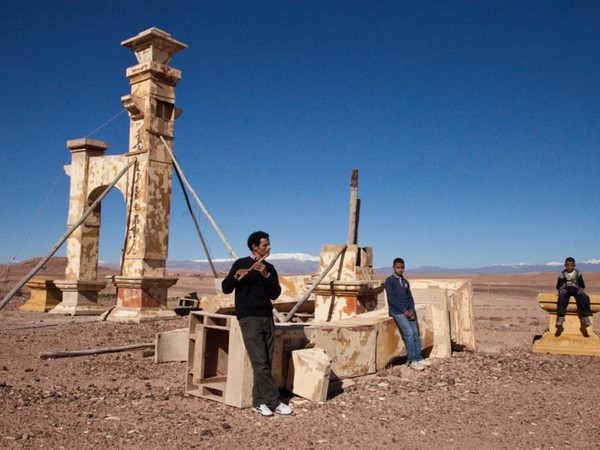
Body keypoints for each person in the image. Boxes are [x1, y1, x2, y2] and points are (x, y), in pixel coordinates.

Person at [221, 231, 292, 417]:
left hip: (267, 316)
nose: (269, 248)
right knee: (259, 362)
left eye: (269, 245)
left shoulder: (270, 268)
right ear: (254, 247)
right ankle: (275, 401)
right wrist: (235, 277)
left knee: (266, 361)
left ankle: (258, 402)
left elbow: (274, 294)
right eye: (265, 245)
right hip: (248, 317)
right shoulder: (241, 264)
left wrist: (266, 275)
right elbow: (226, 288)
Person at [384, 258, 432, 371]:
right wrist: (404, 311)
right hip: (397, 312)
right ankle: (412, 360)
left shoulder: (405, 282)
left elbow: (410, 298)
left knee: (415, 333)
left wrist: (412, 310)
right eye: (398, 268)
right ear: (393, 268)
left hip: (408, 312)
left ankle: (419, 358)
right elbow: (392, 299)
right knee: (409, 334)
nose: (400, 270)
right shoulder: (389, 281)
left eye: (402, 268)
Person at [555, 257, 592, 328]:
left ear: (574, 265)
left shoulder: (578, 273)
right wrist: (561, 289)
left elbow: (582, 284)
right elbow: (558, 285)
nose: (569, 267)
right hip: (566, 290)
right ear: (564, 265)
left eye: (570, 265)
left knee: (584, 297)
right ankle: (561, 316)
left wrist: (581, 289)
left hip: (576, 289)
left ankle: (585, 317)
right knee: (562, 297)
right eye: (567, 265)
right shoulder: (561, 274)